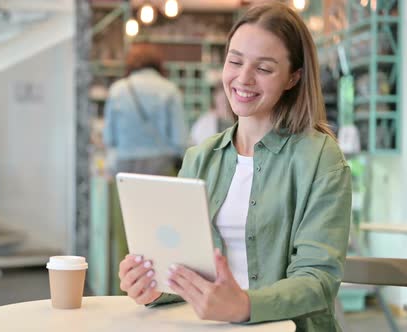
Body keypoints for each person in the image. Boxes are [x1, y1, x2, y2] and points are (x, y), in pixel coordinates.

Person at [117, 2, 352, 331]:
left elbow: (318, 280)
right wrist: (154, 288)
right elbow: (188, 272)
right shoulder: (201, 158)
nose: (243, 78)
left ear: (293, 78)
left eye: (264, 68)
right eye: (235, 61)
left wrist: (244, 305)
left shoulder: (320, 158)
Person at [103, 44, 188, 176]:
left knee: (127, 197)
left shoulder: (117, 90)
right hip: (161, 166)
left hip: (125, 165)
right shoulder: (170, 90)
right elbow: (180, 138)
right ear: (157, 63)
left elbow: (109, 137)